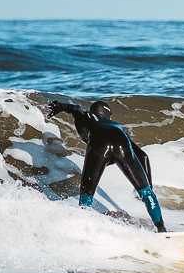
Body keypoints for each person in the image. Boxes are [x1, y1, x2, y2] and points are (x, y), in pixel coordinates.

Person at [45, 99, 167, 233]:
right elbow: (143, 156)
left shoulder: (89, 117)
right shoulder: (117, 126)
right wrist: (149, 187)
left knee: (86, 196)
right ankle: (161, 229)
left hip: (99, 146)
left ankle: (82, 229)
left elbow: (77, 109)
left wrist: (62, 106)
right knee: (146, 193)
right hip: (121, 145)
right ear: (108, 114)